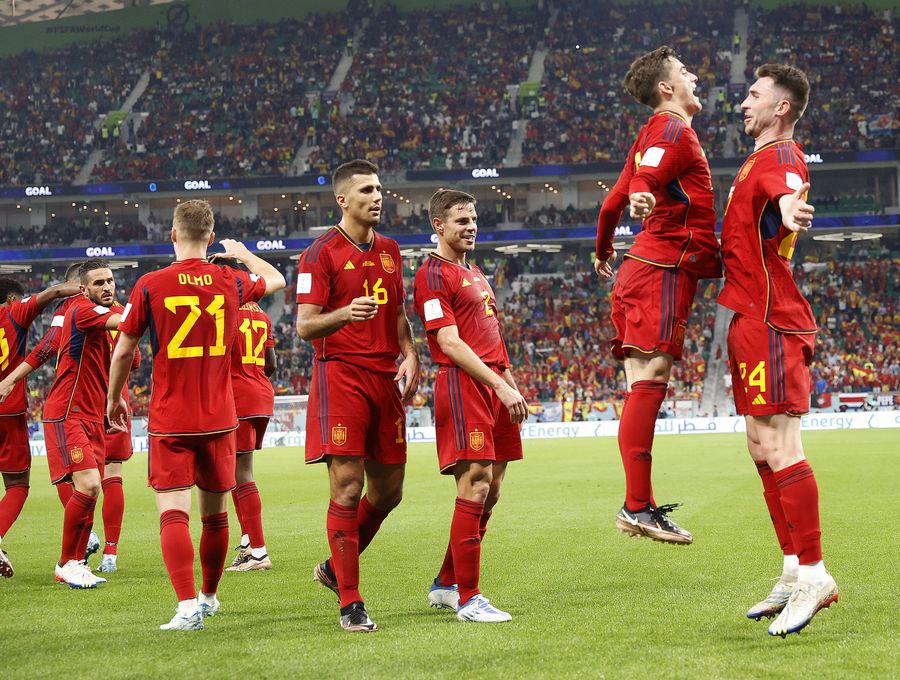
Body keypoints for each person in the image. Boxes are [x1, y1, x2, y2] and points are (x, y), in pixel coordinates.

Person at [107, 200, 285, 631]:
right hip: (222, 417)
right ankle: (209, 596)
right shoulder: (230, 280)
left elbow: (125, 348)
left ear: (172, 234)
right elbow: (277, 279)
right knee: (215, 516)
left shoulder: (150, 284)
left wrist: (113, 398)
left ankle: (187, 607)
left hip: (172, 417)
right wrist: (241, 253)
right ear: (210, 236)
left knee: (173, 513)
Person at [718, 64, 838, 637]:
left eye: (754, 94)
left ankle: (815, 573)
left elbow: (789, 190)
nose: (744, 102)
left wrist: (792, 208)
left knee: (781, 443)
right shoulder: (753, 160)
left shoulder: (780, 158)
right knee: (759, 446)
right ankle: (793, 569)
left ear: (782, 107)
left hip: (771, 318)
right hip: (750, 316)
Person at [594, 46, 721, 545]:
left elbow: (610, 203)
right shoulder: (671, 128)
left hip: (639, 268)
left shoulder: (649, 134)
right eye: (685, 71)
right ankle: (637, 505)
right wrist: (644, 194)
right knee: (653, 377)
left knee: (639, 385)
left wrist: (602, 251)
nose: (694, 76)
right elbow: (640, 186)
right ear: (667, 88)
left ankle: (638, 503)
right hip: (662, 267)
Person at [296, 159, 419, 633]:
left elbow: (398, 313)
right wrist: (346, 313)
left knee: (389, 492)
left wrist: (410, 354)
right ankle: (351, 601)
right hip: (340, 377)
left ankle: (332, 567)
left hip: (385, 379)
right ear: (343, 200)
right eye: (367, 190)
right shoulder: (320, 253)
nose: (378, 196)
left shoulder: (390, 249)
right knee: (347, 489)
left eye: (380, 189)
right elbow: (305, 325)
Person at [413, 189, 527, 623]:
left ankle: (446, 582)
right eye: (461, 220)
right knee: (475, 485)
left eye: (474, 219)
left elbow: (492, 335)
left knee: (492, 491)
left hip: (496, 385)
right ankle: (469, 598)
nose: (471, 226)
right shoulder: (432, 274)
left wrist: (511, 384)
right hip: (464, 385)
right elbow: (448, 340)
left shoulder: (476, 273)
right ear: (439, 225)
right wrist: (498, 386)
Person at [42, 260, 124, 588]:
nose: (107, 287)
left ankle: (76, 562)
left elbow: (128, 357)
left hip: (92, 415)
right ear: (84, 288)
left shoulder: (96, 314)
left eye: (110, 281)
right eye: (99, 283)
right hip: (68, 411)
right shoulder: (82, 309)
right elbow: (126, 323)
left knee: (91, 491)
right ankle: (65, 562)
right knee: (89, 485)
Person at [0, 275, 81, 577]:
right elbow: (55, 292)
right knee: (17, 486)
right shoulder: (13, 311)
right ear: (11, 299)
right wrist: (83, 287)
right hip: (7, 410)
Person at [225, 285, 277, 572]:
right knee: (235, 471)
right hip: (260, 394)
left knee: (241, 473)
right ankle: (248, 544)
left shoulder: (226, 311)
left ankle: (258, 551)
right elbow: (271, 363)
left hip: (237, 397)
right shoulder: (262, 316)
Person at [96, 298, 141, 574]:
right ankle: (110, 552)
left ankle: (80, 548)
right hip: (117, 399)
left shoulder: (76, 311)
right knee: (113, 475)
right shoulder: (120, 312)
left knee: (78, 477)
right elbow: (132, 359)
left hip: (84, 400)